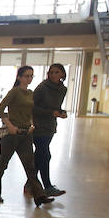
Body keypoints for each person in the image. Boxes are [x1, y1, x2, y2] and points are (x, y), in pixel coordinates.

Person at [0, 66, 54, 207]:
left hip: (26, 134)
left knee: (30, 167)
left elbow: (30, 112)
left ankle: (39, 195)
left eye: (31, 76)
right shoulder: (14, 92)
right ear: (19, 77)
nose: (29, 79)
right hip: (11, 135)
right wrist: (10, 125)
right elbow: (0, 110)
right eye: (26, 76)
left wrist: (31, 124)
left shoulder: (30, 93)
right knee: (3, 164)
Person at [29, 63, 68, 196]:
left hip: (50, 126)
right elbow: (32, 107)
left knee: (40, 155)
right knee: (45, 154)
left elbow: (56, 106)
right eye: (51, 72)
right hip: (38, 126)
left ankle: (30, 184)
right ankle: (47, 185)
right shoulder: (42, 88)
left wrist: (61, 112)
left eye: (56, 72)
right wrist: (50, 113)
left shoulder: (63, 89)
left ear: (62, 74)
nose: (53, 75)